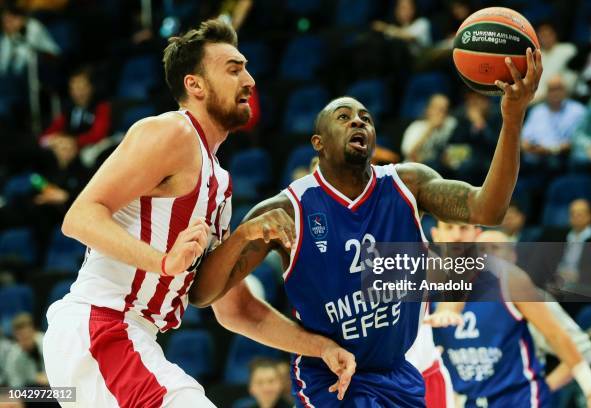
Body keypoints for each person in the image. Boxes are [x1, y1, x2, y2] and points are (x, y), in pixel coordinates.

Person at [191, 48, 544, 406]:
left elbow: (489, 209)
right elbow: (203, 294)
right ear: (319, 143)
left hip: (399, 374)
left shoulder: (409, 185)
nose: (358, 121)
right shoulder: (289, 209)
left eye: (366, 118)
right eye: (343, 117)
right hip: (329, 379)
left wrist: (512, 118)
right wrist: (243, 235)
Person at [41, 19, 355, 408]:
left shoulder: (218, 181)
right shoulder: (172, 133)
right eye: (234, 68)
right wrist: (164, 261)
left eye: (247, 67)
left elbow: (231, 307)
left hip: (127, 338)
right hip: (102, 326)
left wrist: (319, 347)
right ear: (195, 85)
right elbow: (80, 217)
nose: (250, 79)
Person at [430, 222, 591, 408]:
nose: (456, 236)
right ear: (435, 234)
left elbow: (562, 337)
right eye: (449, 228)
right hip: (470, 399)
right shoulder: (426, 286)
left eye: (463, 228)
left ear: (475, 235)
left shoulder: (511, 281)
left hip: (520, 398)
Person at [521, 74, 586, 176]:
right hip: (534, 161)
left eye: (559, 89)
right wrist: (529, 147)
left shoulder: (577, 111)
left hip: (561, 160)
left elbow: (577, 141)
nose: (555, 93)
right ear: (546, 92)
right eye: (552, 89)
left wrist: (551, 150)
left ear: (566, 90)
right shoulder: (537, 111)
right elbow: (524, 141)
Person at [4, 313, 47, 387]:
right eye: (22, 338)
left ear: (33, 331)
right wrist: (35, 378)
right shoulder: (13, 357)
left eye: (28, 336)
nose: (26, 341)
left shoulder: (46, 343)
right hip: (28, 390)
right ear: (16, 336)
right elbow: (15, 384)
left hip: (52, 385)